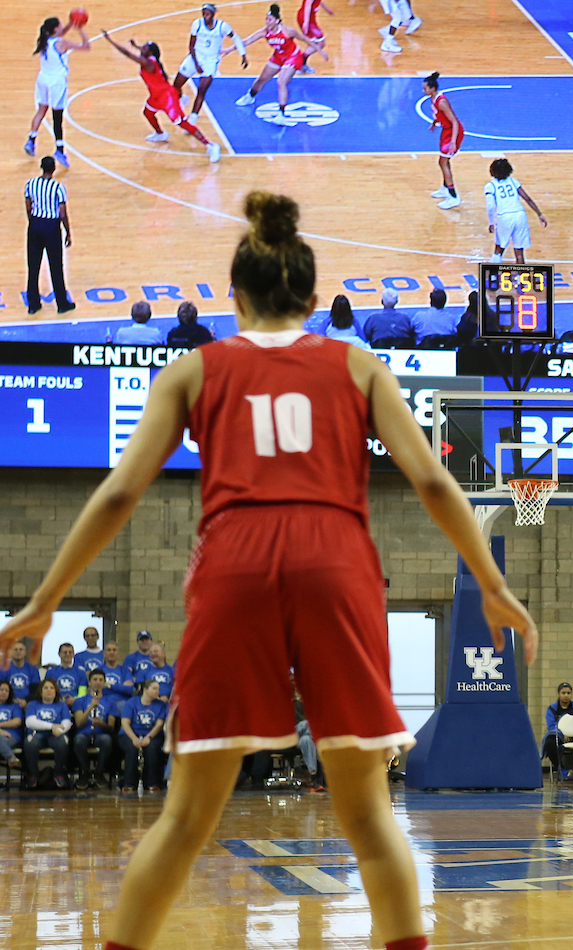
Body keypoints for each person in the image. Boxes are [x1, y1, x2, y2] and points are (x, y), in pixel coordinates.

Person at [0, 189, 535, 950]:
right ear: (314, 298)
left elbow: (120, 491)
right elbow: (435, 482)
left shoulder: (194, 370)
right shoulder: (356, 366)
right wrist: (492, 583)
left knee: (186, 817)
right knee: (369, 818)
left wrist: (46, 598)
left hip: (234, 561)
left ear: (234, 295)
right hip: (335, 557)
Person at [101, 30, 221, 163]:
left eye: (145, 48)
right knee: (148, 113)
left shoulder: (149, 64)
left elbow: (128, 54)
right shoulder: (149, 58)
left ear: (150, 53)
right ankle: (160, 134)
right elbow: (142, 50)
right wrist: (136, 46)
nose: (143, 48)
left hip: (167, 97)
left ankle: (211, 146)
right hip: (156, 95)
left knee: (182, 123)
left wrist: (110, 40)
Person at [234, 4, 327, 125]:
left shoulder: (288, 31)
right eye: (266, 19)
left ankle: (282, 114)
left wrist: (320, 51)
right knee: (262, 79)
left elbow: (305, 39)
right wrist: (228, 50)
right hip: (278, 56)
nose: (267, 22)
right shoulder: (264, 32)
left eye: (270, 20)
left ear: (277, 21)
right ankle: (250, 96)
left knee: (281, 82)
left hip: (293, 57)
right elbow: (246, 41)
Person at [27, 16, 90, 167]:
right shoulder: (62, 43)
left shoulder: (43, 40)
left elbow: (59, 35)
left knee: (41, 110)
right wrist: (80, 28)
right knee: (57, 117)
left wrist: (69, 24)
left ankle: (31, 140)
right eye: (61, 25)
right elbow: (86, 46)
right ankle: (60, 150)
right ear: (56, 28)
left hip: (43, 78)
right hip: (56, 82)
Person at [172, 4, 247, 126]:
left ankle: (193, 119)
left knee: (202, 90)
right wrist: (196, 64)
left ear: (213, 14)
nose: (205, 16)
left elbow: (236, 38)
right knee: (176, 85)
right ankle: (182, 99)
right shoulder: (197, 24)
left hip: (211, 61)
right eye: (203, 13)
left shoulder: (222, 26)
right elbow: (191, 45)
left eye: (208, 14)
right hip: (195, 56)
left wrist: (243, 54)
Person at [24, 155, 75, 316]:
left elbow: (28, 204)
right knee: (55, 266)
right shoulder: (58, 187)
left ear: (41, 167)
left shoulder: (31, 184)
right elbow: (62, 212)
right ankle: (62, 304)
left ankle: (33, 304)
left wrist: (32, 221)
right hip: (51, 227)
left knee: (33, 266)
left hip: (35, 224)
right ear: (53, 169)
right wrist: (67, 231)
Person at [484, 159, 547, 265]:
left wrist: (491, 223)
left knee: (498, 249)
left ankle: (493, 275)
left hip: (505, 217)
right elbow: (527, 199)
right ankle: (520, 279)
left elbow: (490, 206)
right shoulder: (514, 182)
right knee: (519, 252)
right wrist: (539, 214)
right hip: (520, 216)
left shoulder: (490, 186)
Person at [119, 679, 167, 793]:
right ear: (145, 690)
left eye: (158, 689)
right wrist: (134, 738)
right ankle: (129, 783)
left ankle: (152, 783)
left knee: (152, 749)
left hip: (152, 734)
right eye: (154, 689)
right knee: (132, 748)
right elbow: (125, 723)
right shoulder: (132, 702)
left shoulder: (160, 704)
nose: (157, 691)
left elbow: (159, 724)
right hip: (131, 733)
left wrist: (149, 737)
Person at [23, 678, 72, 789]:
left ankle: (59, 773)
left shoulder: (62, 705)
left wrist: (59, 730)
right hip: (38, 733)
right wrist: (52, 726)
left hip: (56, 734)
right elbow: (30, 722)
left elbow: (67, 722)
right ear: (41, 691)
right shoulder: (33, 704)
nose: (49, 690)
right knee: (30, 743)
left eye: (51, 688)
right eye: (46, 688)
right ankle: (33, 774)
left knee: (62, 743)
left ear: (56, 691)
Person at [425, 73, 464, 209]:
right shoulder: (434, 98)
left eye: (425, 88)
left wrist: (453, 141)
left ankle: (454, 196)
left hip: (453, 132)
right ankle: (445, 187)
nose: (424, 91)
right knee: (443, 162)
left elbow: (454, 121)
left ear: (432, 88)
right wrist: (434, 122)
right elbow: (438, 114)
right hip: (446, 131)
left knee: (443, 162)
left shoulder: (441, 101)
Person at [75, 668, 118, 787]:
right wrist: (90, 708)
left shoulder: (110, 701)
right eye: (95, 679)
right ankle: (85, 772)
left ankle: (99, 772)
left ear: (104, 683)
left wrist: (101, 724)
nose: (98, 682)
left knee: (107, 740)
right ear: (89, 682)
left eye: (100, 680)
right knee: (79, 740)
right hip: (84, 733)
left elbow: (111, 727)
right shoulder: (80, 701)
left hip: (101, 733)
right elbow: (79, 723)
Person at [541, 682, 573, 780]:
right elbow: (552, 725)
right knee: (549, 743)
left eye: (568, 693)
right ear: (558, 694)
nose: (566, 696)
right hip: (560, 736)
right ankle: (562, 769)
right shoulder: (552, 709)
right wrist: (563, 734)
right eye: (563, 693)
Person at [45, 641, 86, 710]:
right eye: (65, 652)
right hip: (56, 704)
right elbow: (46, 691)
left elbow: (83, 692)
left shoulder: (81, 672)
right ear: (59, 654)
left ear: (73, 654)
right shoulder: (51, 672)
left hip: (76, 705)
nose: (67, 654)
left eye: (70, 652)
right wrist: (59, 700)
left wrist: (74, 700)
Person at [296, 0, 332, 72]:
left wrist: (327, 9)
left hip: (310, 19)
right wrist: (306, 22)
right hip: (307, 19)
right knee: (319, 43)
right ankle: (300, 63)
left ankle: (301, 63)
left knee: (317, 43)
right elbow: (307, 5)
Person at [5, 641, 41, 708]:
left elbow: (36, 691)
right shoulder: (4, 669)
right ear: (10, 652)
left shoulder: (33, 669)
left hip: (28, 703)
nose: (18, 652)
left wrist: (25, 701)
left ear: (25, 652)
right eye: (15, 649)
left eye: (21, 649)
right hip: (8, 702)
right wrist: (11, 700)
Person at [0, 681, 24, 770]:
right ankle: (10, 757)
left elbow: (17, 722)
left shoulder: (15, 706)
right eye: (1, 689)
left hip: (12, 737)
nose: (4, 692)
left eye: (6, 691)